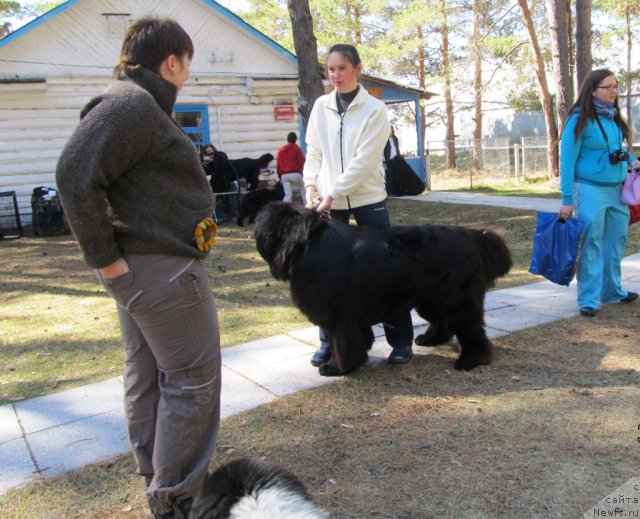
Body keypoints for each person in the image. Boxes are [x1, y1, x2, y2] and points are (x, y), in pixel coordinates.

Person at [55, 18, 221, 519]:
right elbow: (73, 176)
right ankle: (176, 501)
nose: (188, 75)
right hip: (162, 274)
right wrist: (105, 260)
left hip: (146, 273)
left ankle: (160, 487)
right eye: (187, 64)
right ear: (171, 62)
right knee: (192, 383)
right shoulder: (132, 104)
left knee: (149, 376)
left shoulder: (134, 104)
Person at [303, 43, 414, 366]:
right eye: (330, 69)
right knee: (326, 276)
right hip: (327, 201)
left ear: (357, 69)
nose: (335, 75)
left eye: (341, 68)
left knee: (386, 271)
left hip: (367, 199)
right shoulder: (321, 106)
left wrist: (332, 192)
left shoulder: (375, 110)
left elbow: (365, 162)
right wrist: (311, 183)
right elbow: (314, 152)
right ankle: (330, 342)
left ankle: (401, 341)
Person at [559, 68, 639, 317]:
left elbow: (617, 150)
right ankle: (589, 299)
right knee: (592, 243)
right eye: (609, 87)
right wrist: (567, 199)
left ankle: (612, 291)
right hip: (590, 190)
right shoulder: (579, 119)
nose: (614, 91)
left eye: (616, 86)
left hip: (617, 191)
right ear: (593, 90)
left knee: (615, 242)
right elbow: (567, 160)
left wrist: (632, 160)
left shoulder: (612, 118)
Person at [276, 132, 307, 204]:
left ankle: (286, 211)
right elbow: (302, 162)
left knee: (288, 194)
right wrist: (304, 173)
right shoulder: (297, 148)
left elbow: (278, 165)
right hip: (296, 174)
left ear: (287, 140)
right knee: (303, 189)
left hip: (284, 175)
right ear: (295, 140)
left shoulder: (281, 150)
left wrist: (280, 176)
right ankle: (308, 207)